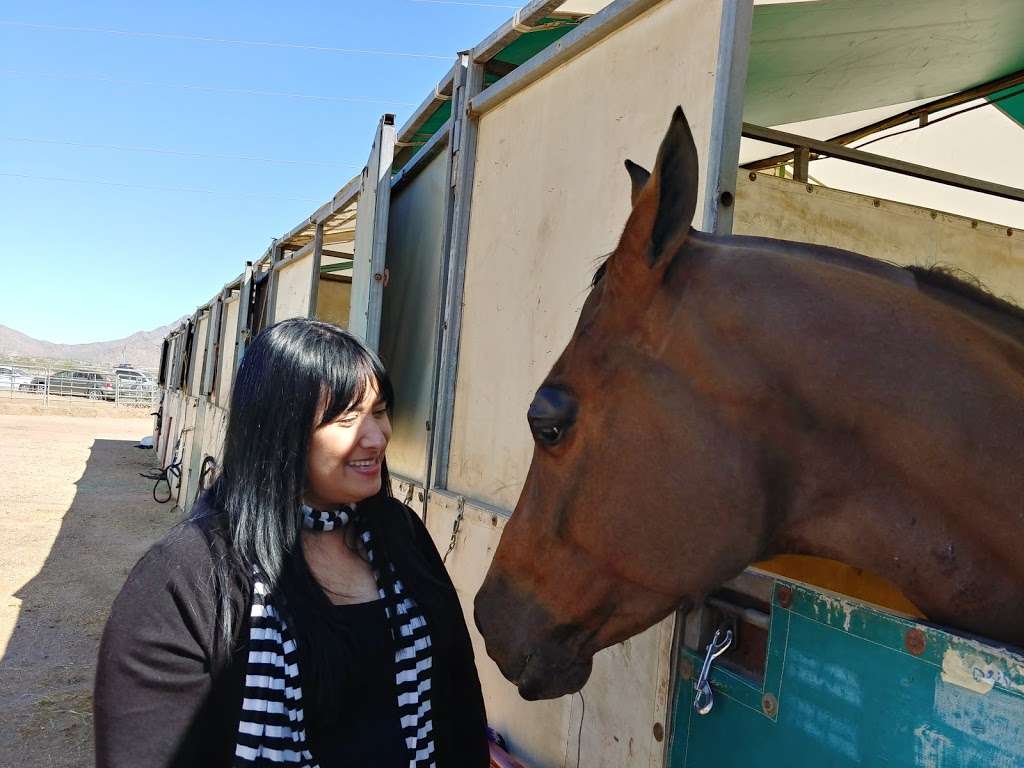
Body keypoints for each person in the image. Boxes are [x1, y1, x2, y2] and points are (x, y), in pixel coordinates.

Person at [94, 319, 489, 767]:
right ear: (279, 429)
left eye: (379, 411)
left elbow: (458, 702)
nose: (377, 438)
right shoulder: (186, 576)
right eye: (345, 419)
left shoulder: (401, 535)